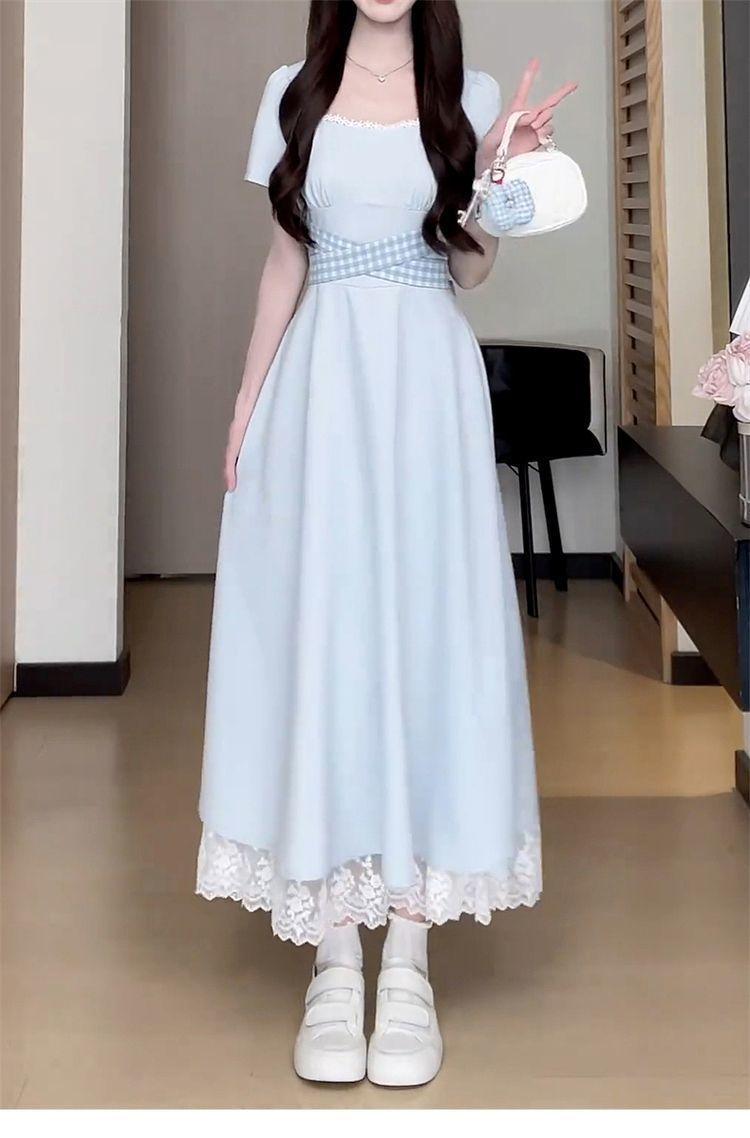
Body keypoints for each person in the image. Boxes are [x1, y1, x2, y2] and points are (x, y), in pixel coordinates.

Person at [197, 0, 576, 1087]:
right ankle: (332, 951)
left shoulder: (470, 98)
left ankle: (407, 954)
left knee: (426, 643)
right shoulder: (291, 94)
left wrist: (496, 177)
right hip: (319, 391)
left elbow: (468, 271)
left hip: (427, 394)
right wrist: (246, 403)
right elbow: (286, 262)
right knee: (329, 643)